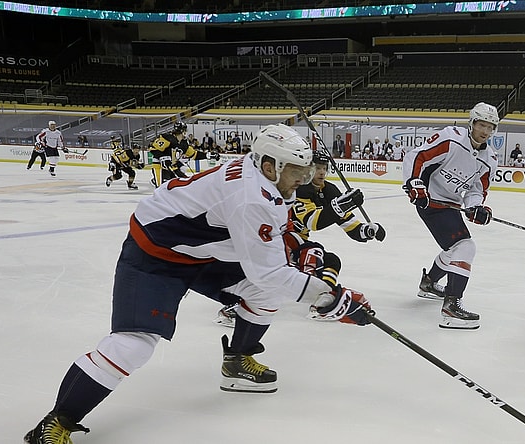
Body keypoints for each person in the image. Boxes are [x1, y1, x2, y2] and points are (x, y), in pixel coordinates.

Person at [23, 124, 372, 444]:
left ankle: (238, 361)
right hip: (155, 256)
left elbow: (277, 232)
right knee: (134, 345)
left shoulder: (265, 179)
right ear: (271, 166)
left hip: (201, 251)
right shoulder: (251, 196)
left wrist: (303, 248)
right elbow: (269, 270)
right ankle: (57, 422)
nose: (305, 178)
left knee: (265, 294)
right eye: (298, 172)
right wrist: (331, 299)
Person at [214, 149, 386, 326]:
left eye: (324, 167)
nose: (321, 172)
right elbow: (312, 221)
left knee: (332, 261)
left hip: (295, 242)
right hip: (276, 237)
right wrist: (341, 206)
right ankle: (236, 306)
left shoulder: (329, 190)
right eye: (317, 167)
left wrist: (367, 230)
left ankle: (322, 303)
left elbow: (347, 222)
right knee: (305, 254)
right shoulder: (300, 188)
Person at [401, 102, 499, 330]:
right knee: (465, 247)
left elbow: (477, 190)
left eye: (490, 127)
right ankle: (451, 306)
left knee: (454, 249)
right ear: (472, 123)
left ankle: (429, 283)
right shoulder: (451, 138)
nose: (485, 131)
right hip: (429, 200)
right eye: (481, 124)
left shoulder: (490, 159)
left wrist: (477, 207)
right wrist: (415, 183)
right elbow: (419, 157)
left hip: (450, 205)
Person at [148, 122, 218, 187]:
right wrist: (163, 157)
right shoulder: (168, 138)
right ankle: (156, 181)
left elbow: (194, 154)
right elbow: (152, 148)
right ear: (182, 131)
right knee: (162, 189)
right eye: (185, 130)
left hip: (173, 168)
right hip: (160, 167)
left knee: (179, 187)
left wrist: (208, 155)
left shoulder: (184, 144)